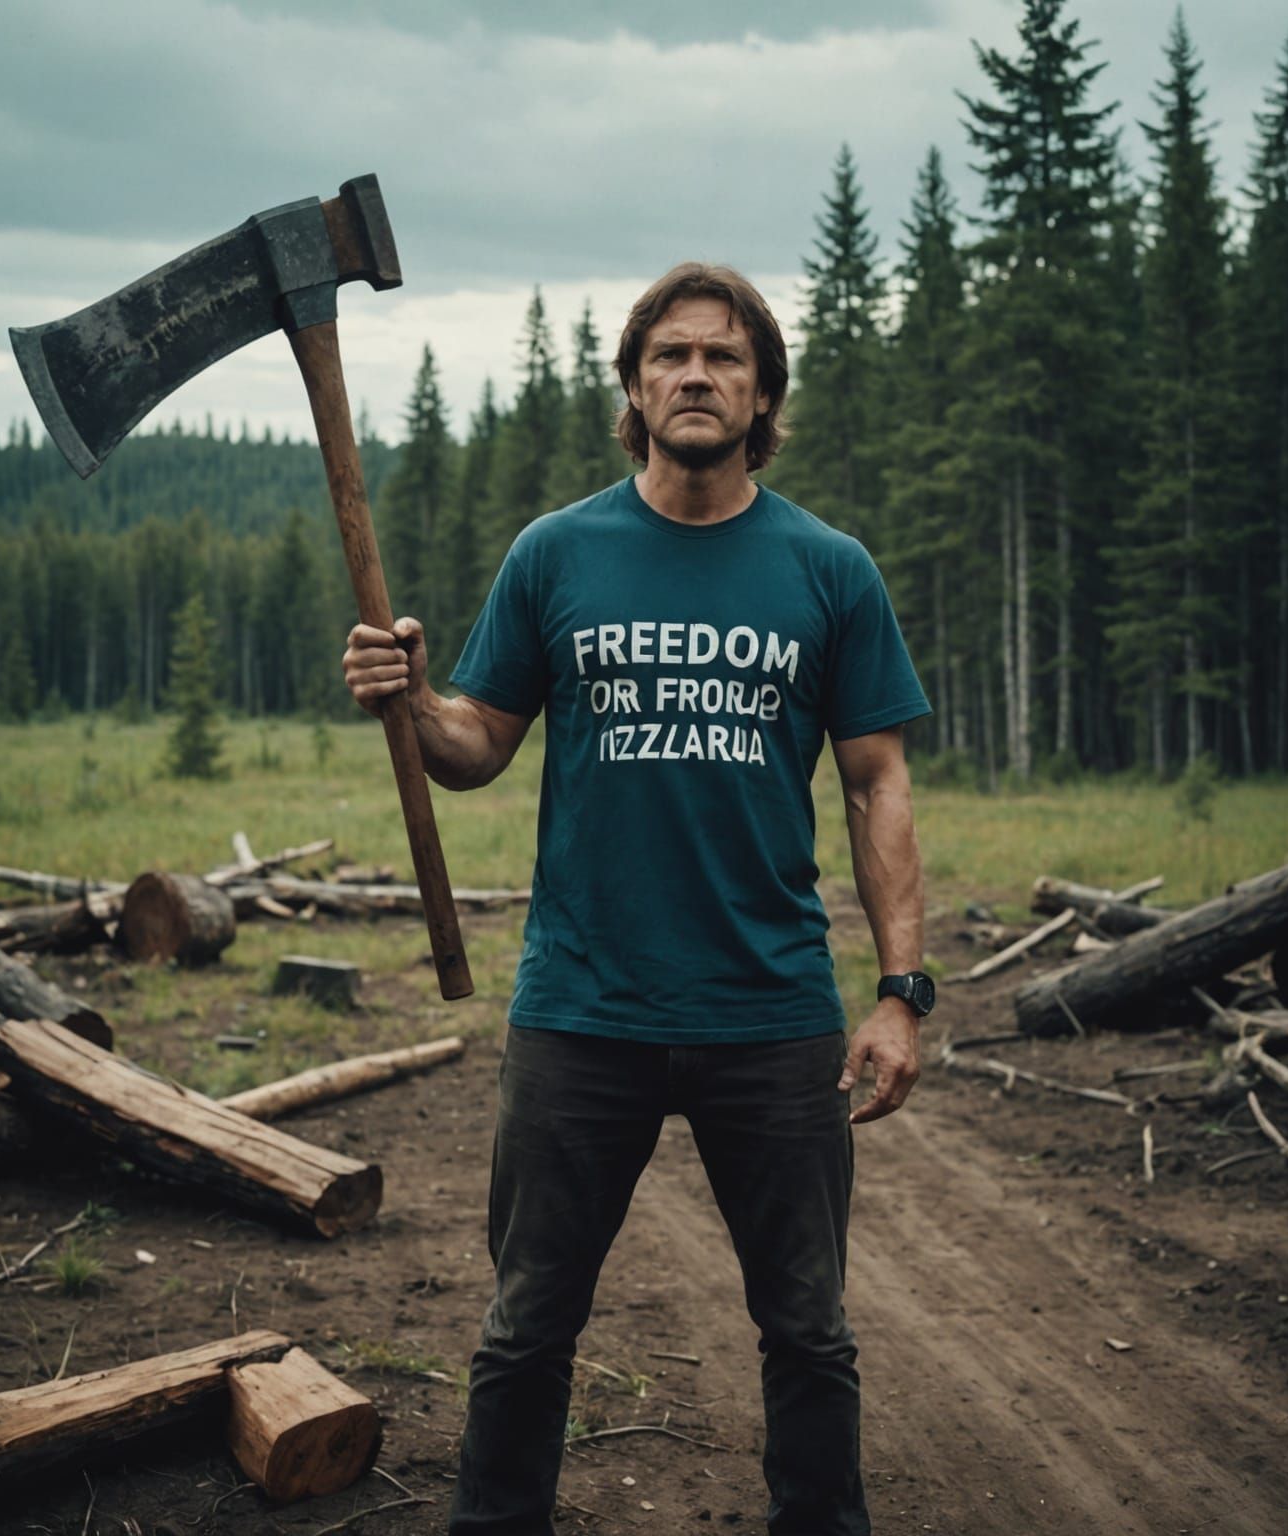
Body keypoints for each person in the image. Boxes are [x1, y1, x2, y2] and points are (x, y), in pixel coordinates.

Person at [342, 262, 933, 1536]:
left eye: (724, 358)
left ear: (762, 391)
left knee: (809, 1332)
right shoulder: (558, 554)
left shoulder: (829, 569)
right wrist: (411, 698)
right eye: (670, 355)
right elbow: (475, 744)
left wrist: (898, 993)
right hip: (581, 1012)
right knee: (526, 1326)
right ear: (633, 385)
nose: (696, 376)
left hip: (771, 1014)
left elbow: (878, 786)